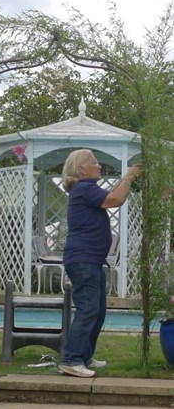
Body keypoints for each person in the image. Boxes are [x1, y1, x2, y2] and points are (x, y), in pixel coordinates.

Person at [59, 149, 142, 378]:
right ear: (82, 168)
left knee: (98, 312)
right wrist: (129, 176)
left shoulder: (87, 190)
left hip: (92, 260)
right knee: (88, 311)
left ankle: (84, 357)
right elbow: (116, 199)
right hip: (83, 259)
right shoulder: (85, 189)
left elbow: (111, 195)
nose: (99, 166)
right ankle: (71, 359)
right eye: (95, 163)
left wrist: (127, 179)